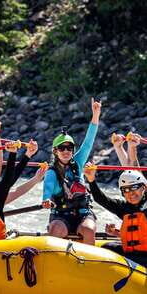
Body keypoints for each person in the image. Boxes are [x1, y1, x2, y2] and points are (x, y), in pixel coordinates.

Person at [42, 98, 102, 244]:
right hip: (61, 216)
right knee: (55, 229)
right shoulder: (51, 172)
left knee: (88, 229)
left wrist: (95, 115)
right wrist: (46, 200)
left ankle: (89, 264)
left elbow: (88, 142)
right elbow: (47, 191)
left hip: (83, 214)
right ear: (55, 151)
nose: (66, 151)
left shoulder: (79, 162)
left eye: (69, 148)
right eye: (62, 148)